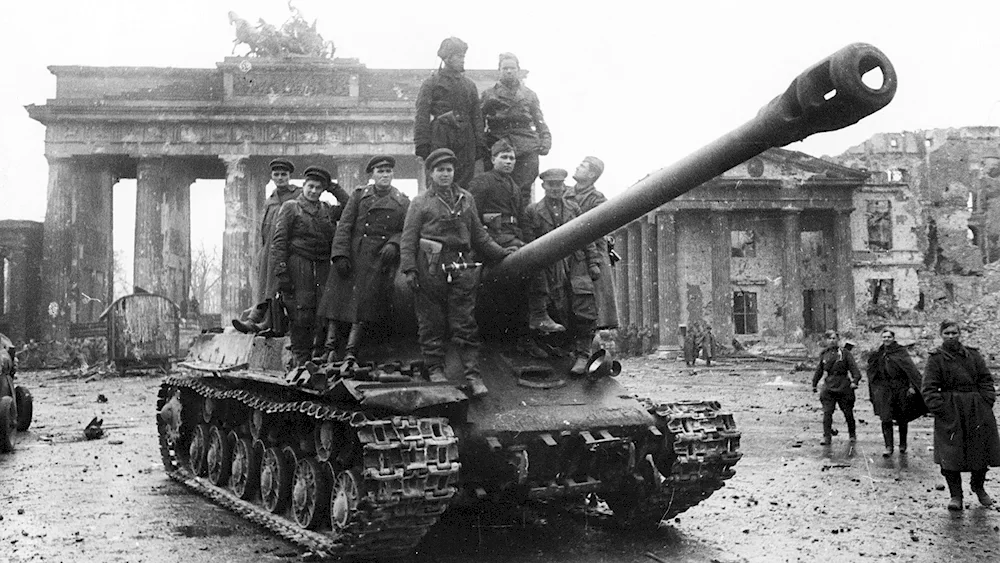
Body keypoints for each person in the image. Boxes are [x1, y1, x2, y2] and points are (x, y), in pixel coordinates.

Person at [399, 148, 512, 397]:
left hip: (461, 265)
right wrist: (409, 269)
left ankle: (472, 375)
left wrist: (501, 252)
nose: (445, 174)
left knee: (465, 323)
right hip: (430, 266)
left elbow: (479, 234)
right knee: (431, 322)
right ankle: (436, 369)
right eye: (440, 170)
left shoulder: (466, 199)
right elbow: (408, 238)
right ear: (431, 173)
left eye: (449, 170)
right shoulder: (421, 202)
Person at [467, 140, 564, 355]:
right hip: (493, 239)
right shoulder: (482, 182)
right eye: (504, 157)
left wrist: (530, 243)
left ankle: (526, 336)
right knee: (531, 263)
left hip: (512, 237)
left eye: (511, 158)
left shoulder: (514, 186)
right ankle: (539, 315)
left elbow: (521, 219)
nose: (509, 161)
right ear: (493, 159)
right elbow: (472, 218)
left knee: (529, 270)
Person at [320, 156, 410, 363]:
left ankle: (351, 350)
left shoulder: (402, 201)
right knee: (336, 303)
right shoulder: (359, 196)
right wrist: (340, 254)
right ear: (372, 175)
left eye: (388, 171)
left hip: (377, 257)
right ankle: (329, 348)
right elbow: (345, 225)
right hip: (352, 253)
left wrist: (394, 244)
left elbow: (406, 229)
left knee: (363, 306)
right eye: (380, 171)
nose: (385, 175)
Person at [523, 168, 602, 376]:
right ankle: (559, 350)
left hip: (576, 262)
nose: (556, 189)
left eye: (559, 185)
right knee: (558, 307)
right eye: (551, 185)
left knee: (583, 305)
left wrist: (593, 261)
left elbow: (586, 235)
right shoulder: (533, 211)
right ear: (544, 187)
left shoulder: (573, 208)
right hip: (549, 264)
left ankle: (583, 354)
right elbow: (530, 242)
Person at [921, 320, 1000, 511]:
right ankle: (956, 495)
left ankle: (978, 486)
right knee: (950, 453)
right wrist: (941, 409)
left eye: (954, 333)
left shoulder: (973, 355)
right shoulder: (936, 358)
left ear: (959, 334)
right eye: (946, 333)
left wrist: (985, 401)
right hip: (950, 410)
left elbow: (985, 380)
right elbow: (929, 387)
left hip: (976, 409)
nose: (950, 336)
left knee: (980, 450)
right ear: (941, 335)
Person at [270, 166, 342, 366]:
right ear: (304, 186)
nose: (313, 191)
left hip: (322, 265)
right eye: (310, 186)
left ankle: (318, 356)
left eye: (319, 188)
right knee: (301, 312)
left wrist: (333, 188)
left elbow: (348, 206)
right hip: (298, 264)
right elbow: (279, 241)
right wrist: (282, 272)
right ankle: (300, 358)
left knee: (323, 311)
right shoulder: (291, 207)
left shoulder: (326, 209)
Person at [414, 37, 485, 190]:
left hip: (466, 137)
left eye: (463, 57)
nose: (463, 60)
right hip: (441, 135)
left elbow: (477, 116)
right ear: (448, 58)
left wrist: (480, 143)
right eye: (459, 56)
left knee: (465, 181)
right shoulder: (431, 83)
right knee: (439, 176)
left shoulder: (470, 85)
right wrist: (422, 143)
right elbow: (422, 114)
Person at [480, 52, 551, 205]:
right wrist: (482, 144)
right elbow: (479, 122)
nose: (509, 71)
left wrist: (545, 138)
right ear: (499, 70)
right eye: (505, 68)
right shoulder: (489, 94)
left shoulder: (529, 95)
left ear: (518, 70)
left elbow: (539, 120)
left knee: (523, 189)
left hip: (525, 143)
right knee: (499, 189)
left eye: (512, 68)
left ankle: (524, 223)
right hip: (499, 141)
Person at [567, 156, 618, 329]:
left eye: (582, 166)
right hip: (569, 252)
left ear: (591, 174)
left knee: (592, 303)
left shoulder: (597, 199)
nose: (577, 167)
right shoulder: (566, 194)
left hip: (591, 256)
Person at [867, 329, 923, 457]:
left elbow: (910, 370)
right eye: (884, 337)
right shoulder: (880, 353)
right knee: (885, 417)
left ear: (893, 338)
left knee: (902, 417)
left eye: (889, 337)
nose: (886, 339)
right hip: (885, 390)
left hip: (900, 389)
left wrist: (911, 386)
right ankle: (888, 447)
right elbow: (872, 370)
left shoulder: (900, 352)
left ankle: (902, 445)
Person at [811, 330, 862, 445]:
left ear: (838, 340)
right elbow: (819, 370)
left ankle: (852, 434)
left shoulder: (845, 353)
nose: (832, 341)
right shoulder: (824, 354)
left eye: (834, 338)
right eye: (830, 338)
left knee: (848, 412)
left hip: (844, 386)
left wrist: (855, 381)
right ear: (826, 340)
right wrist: (814, 384)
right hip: (829, 386)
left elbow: (855, 370)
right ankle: (826, 436)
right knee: (827, 412)